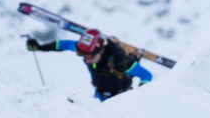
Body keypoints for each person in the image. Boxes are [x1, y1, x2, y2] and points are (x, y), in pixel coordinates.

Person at [25, 28, 153, 100]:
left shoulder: (119, 60)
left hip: (122, 97)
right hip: (100, 94)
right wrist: (40, 47)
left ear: (100, 51)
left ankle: (134, 56)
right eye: (80, 54)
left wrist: (140, 95)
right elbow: (64, 45)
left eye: (87, 56)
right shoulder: (86, 49)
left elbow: (146, 75)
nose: (85, 59)